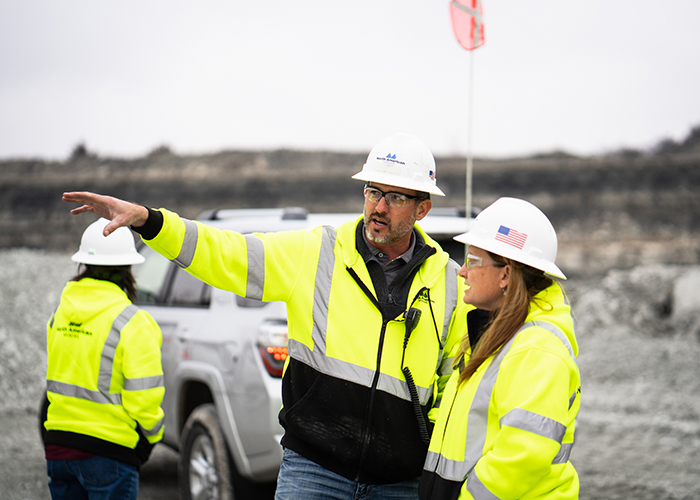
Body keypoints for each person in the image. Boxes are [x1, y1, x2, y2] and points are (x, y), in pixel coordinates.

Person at [63, 132, 467, 499]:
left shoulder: (451, 284)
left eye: (395, 197)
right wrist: (150, 221)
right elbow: (227, 254)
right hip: (314, 471)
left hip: (400, 483)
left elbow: (456, 390)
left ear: (422, 208)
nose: (378, 207)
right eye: (372, 191)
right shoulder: (318, 253)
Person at [419, 197, 580, 500]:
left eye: (473, 261)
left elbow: (522, 458)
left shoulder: (536, 349)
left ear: (506, 274)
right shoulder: (491, 338)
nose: (462, 272)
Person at [43, 217, 165, 500]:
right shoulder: (132, 322)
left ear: (83, 264)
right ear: (128, 268)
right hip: (109, 452)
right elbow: (144, 398)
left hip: (58, 449)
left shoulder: (60, 314)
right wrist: (150, 439)